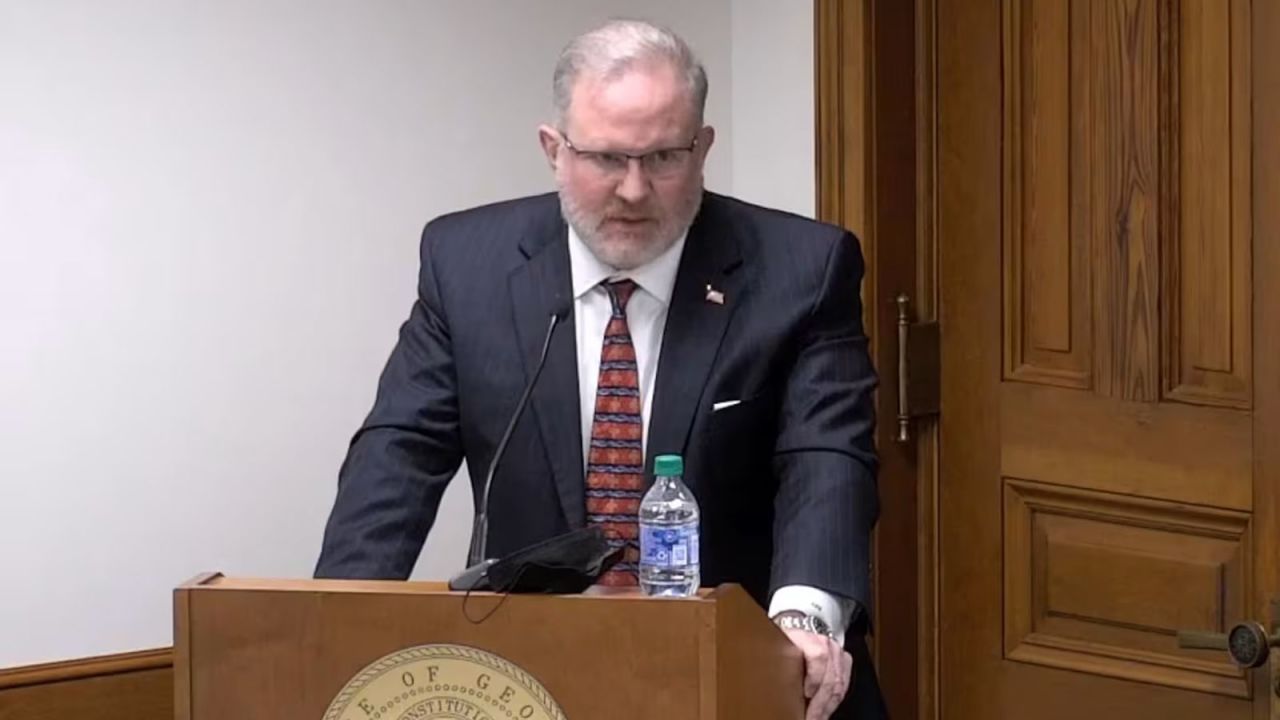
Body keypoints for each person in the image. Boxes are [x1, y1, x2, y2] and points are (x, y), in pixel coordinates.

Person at [315, 18, 885, 720]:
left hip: (748, 668)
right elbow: (398, 453)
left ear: (703, 148)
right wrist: (337, 616)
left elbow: (826, 458)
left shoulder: (802, 268)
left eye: (665, 158)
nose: (635, 190)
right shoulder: (468, 264)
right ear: (554, 150)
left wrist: (804, 617)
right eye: (607, 159)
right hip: (530, 671)